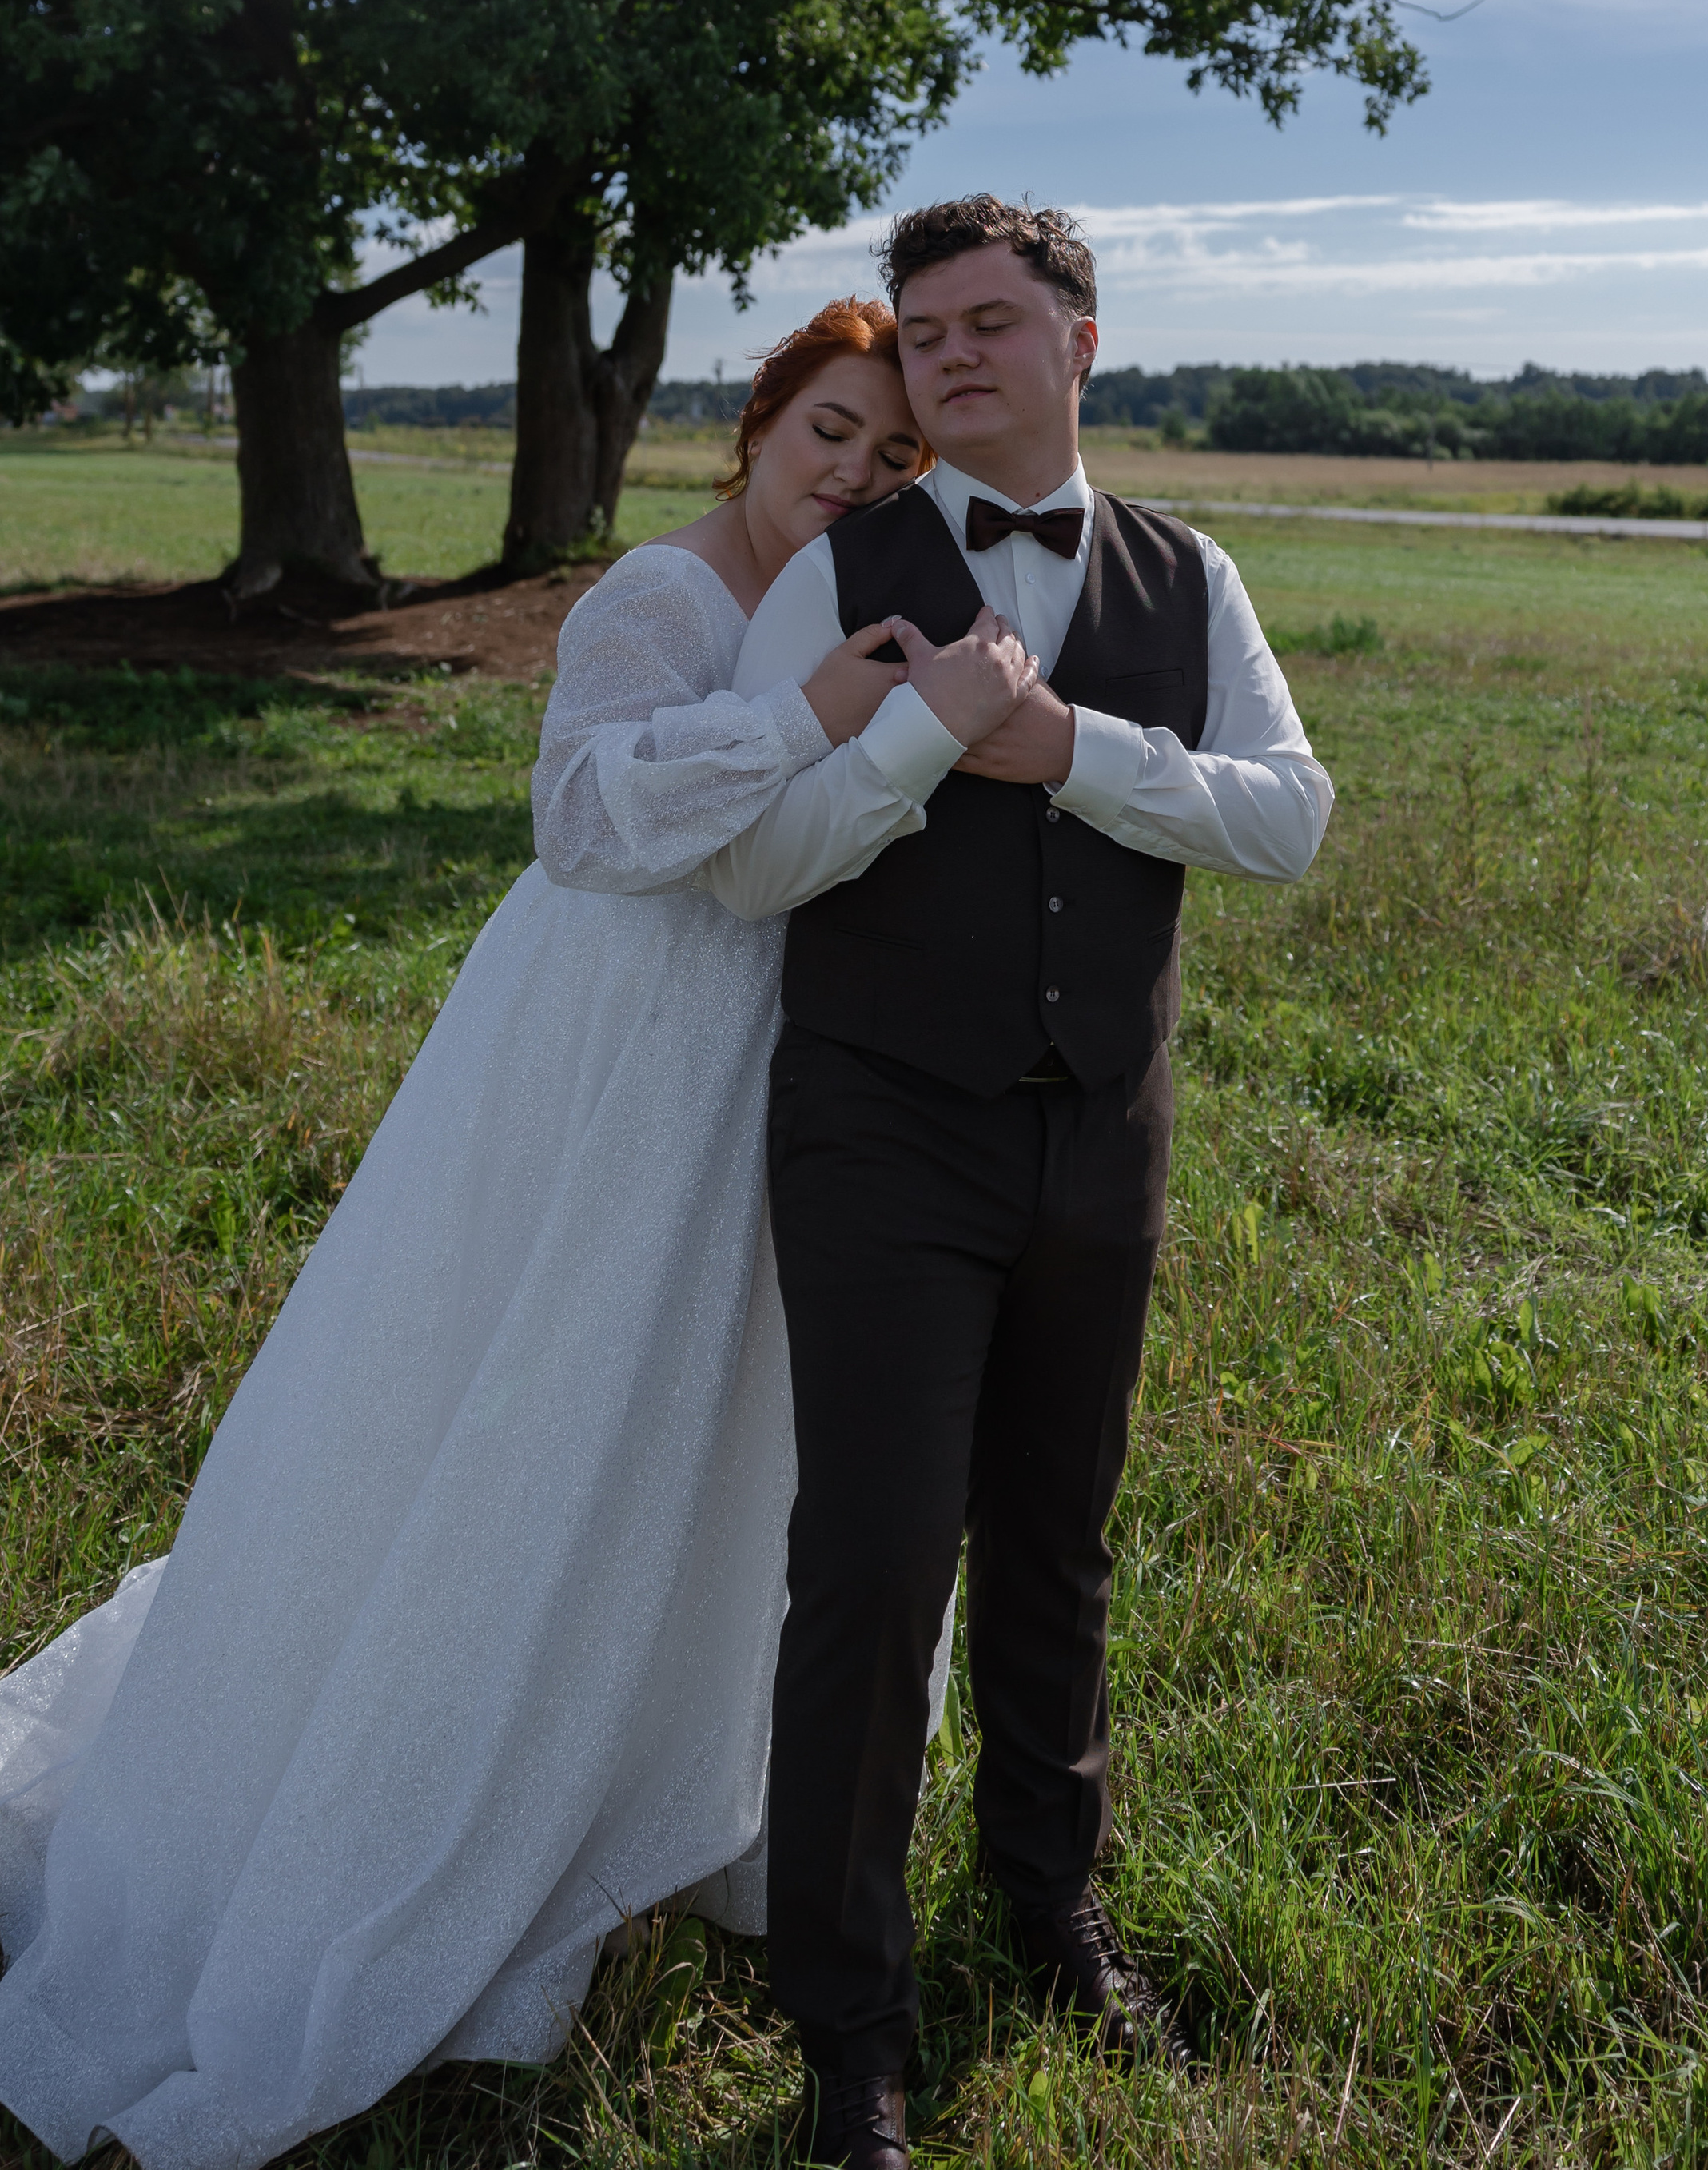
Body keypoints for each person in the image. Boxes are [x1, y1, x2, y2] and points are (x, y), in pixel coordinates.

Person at [0, 298, 1019, 2170]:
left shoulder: (880, 592)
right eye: (827, 435)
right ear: (755, 423)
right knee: (540, 1401)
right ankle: (412, 1803)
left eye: (892, 457)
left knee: (722, 1434)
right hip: (614, 1048)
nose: (854, 479)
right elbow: (579, 819)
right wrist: (812, 712)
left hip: (776, 1064)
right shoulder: (657, 591)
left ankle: (668, 1790)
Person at [707, 198, 1335, 2169]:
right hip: (881, 1121)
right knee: (875, 1565)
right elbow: (747, 858)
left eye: (991, 322)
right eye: (921, 332)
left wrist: (1065, 748)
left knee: (1058, 1539)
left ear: (1083, 340)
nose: (948, 356)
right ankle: (846, 2022)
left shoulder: (1188, 572)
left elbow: (1287, 817)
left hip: (1104, 1124)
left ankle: (1047, 1898)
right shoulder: (836, 569)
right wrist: (918, 740)